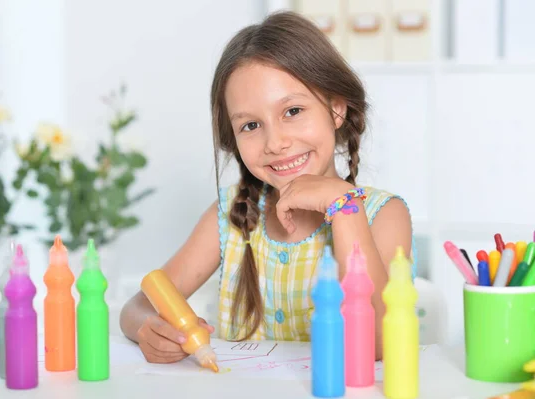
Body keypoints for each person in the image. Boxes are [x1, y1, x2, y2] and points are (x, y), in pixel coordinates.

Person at [120, 11, 415, 364]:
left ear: (336, 108)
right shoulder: (228, 216)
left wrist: (343, 207)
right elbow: (137, 305)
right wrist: (146, 327)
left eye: (292, 111)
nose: (275, 143)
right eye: (251, 125)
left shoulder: (383, 215)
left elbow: (381, 346)